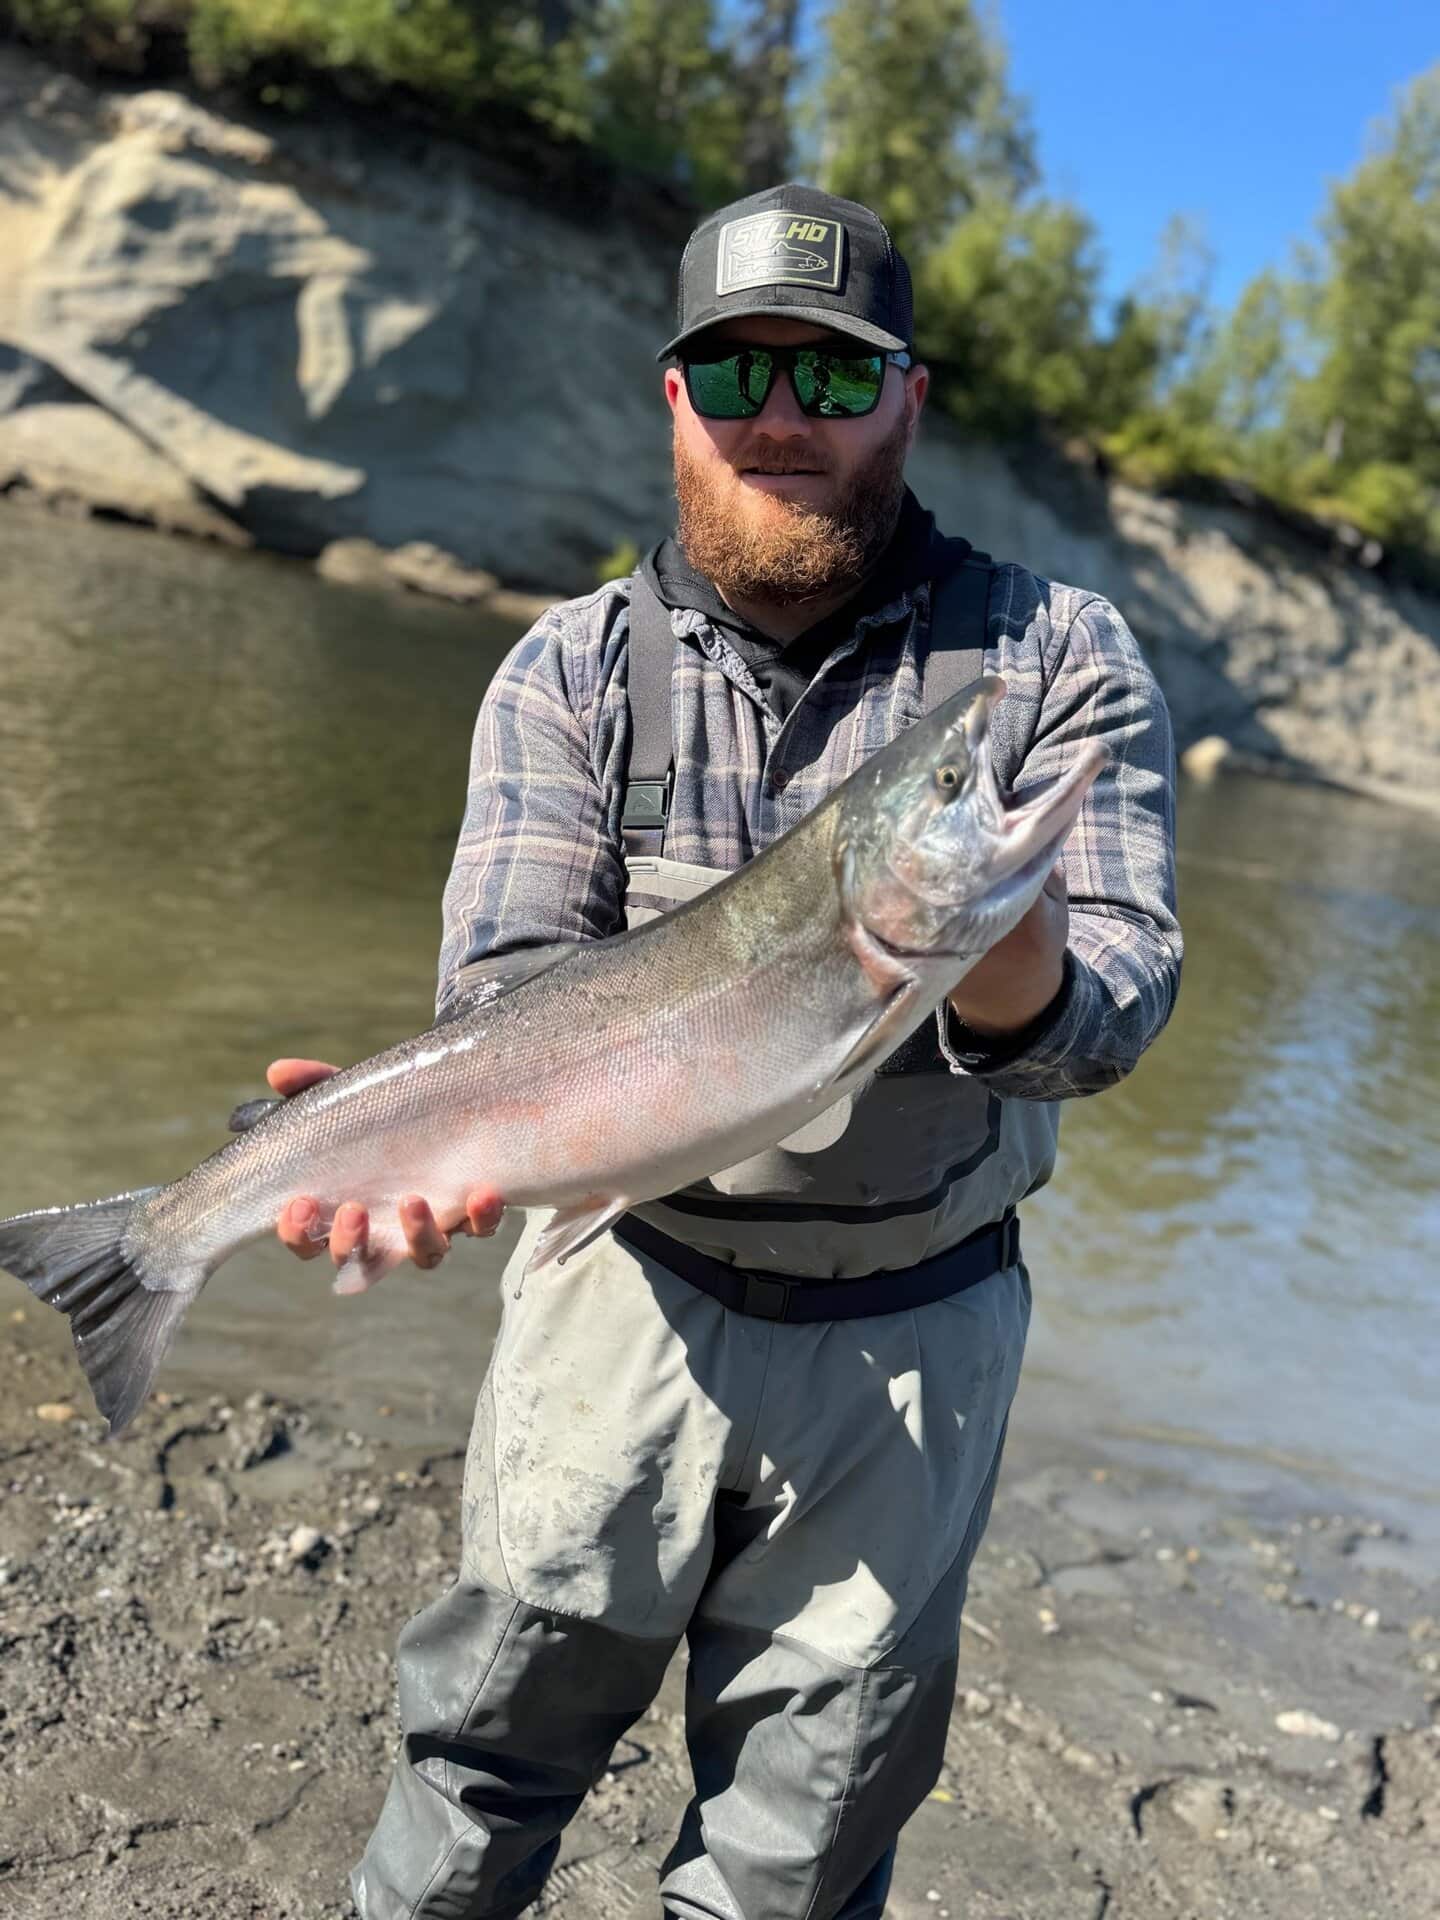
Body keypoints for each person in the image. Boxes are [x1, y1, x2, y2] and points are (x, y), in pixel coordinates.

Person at [269, 184, 1182, 1920]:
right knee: (473, 1787)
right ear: (675, 394)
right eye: (742, 369)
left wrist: (996, 947)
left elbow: (1108, 1029)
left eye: (837, 380)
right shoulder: (569, 673)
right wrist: (413, 1148)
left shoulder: (1052, 662)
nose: (786, 416)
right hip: (625, 1299)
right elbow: (511, 1001)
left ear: (910, 397)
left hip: (918, 1339)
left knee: (799, 1860)